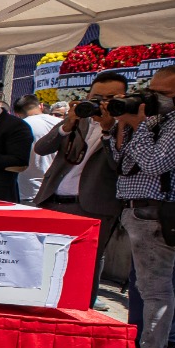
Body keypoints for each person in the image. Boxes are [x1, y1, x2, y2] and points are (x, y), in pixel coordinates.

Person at [108, 65, 175, 348]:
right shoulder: (156, 121)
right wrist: (124, 126)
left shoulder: (174, 124)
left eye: (161, 94)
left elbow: (154, 163)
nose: (152, 98)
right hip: (135, 211)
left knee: (155, 288)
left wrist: (142, 126)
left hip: (156, 213)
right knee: (146, 287)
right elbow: (122, 160)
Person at [34, 73, 124, 308]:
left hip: (94, 206)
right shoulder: (79, 120)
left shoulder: (126, 126)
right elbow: (42, 148)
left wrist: (110, 130)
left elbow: (121, 165)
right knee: (44, 261)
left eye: (110, 98)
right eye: (97, 98)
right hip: (53, 200)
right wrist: (67, 124)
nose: (101, 104)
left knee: (86, 264)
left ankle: (80, 312)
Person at [14, 94, 61, 202]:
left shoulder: (19, 127)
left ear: (17, 114)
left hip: (28, 190)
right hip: (56, 189)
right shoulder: (60, 123)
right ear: (41, 106)